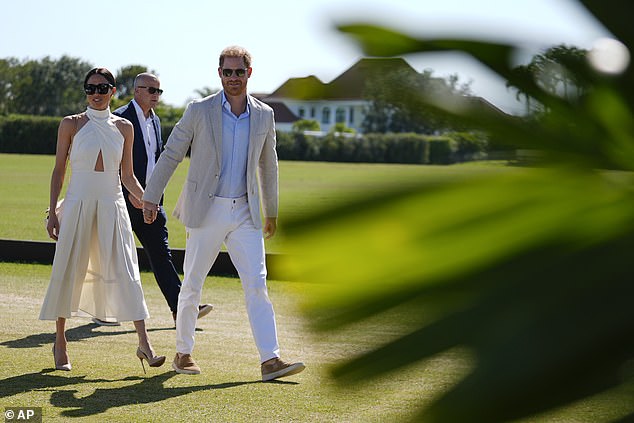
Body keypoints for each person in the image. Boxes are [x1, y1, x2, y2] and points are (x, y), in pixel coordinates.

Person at [142, 46, 305, 381]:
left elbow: (268, 166)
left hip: (245, 212)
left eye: (239, 72)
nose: (233, 77)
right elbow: (172, 153)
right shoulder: (199, 110)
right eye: (227, 72)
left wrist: (270, 211)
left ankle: (270, 360)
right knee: (192, 284)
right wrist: (150, 197)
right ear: (219, 74)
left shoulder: (264, 114)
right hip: (207, 209)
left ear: (249, 72)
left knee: (257, 284)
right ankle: (183, 353)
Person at [40, 67, 165, 373]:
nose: (96, 93)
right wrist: (52, 212)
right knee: (68, 269)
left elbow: (127, 176)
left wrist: (147, 201)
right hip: (78, 204)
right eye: (91, 88)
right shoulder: (71, 124)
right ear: (86, 91)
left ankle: (144, 344)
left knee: (127, 270)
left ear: (113, 91)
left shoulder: (124, 128)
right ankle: (60, 342)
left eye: (102, 88)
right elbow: (59, 170)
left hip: (113, 205)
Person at [87, 72, 212, 327]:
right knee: (113, 254)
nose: (156, 96)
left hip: (150, 202)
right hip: (120, 200)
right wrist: (133, 194)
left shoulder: (155, 121)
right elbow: (110, 163)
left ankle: (180, 310)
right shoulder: (119, 118)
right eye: (152, 90)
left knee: (161, 253)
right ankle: (102, 309)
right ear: (137, 91)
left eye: (159, 91)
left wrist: (150, 198)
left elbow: (157, 161)